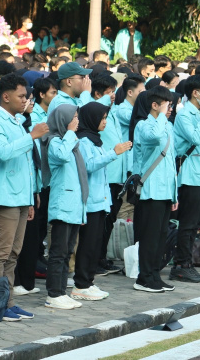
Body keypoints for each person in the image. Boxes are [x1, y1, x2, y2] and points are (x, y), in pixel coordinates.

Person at [0, 74, 48, 321]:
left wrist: (30, 200)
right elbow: (2, 153)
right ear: (6, 96)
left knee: (13, 254)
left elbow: (27, 165)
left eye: (26, 96)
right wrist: (31, 137)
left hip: (20, 198)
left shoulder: (17, 122)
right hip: (4, 198)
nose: (25, 101)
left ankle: (8, 303)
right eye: (21, 96)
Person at [72, 102, 131, 300]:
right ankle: (81, 283)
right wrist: (114, 153)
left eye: (106, 118)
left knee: (96, 243)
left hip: (100, 199)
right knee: (88, 243)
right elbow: (89, 166)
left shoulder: (95, 141)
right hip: (90, 200)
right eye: (102, 118)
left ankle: (88, 281)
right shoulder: (83, 141)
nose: (104, 122)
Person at [129, 87, 177, 292]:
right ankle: (144, 277)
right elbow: (155, 138)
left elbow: (172, 161)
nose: (170, 109)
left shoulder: (166, 125)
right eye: (166, 104)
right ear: (154, 105)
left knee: (160, 235)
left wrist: (175, 194)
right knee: (149, 236)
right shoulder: (144, 125)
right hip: (149, 189)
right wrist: (160, 117)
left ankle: (155, 274)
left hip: (165, 189)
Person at [170, 75, 200, 282]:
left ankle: (187, 262)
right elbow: (196, 139)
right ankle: (180, 264)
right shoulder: (184, 115)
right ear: (196, 93)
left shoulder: (198, 114)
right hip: (189, 178)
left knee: (196, 222)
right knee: (187, 223)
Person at [41, 104, 86, 309]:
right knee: (58, 252)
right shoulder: (54, 141)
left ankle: (62, 291)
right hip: (62, 205)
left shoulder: (71, 142)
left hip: (74, 205)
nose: (76, 122)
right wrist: (69, 133)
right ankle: (53, 293)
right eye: (73, 118)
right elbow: (59, 156)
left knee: (68, 251)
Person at [98, 75, 144, 272]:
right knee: (104, 218)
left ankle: (101, 258)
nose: (112, 96)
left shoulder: (114, 113)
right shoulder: (119, 110)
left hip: (119, 172)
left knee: (111, 217)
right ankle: (96, 259)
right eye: (109, 92)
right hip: (108, 171)